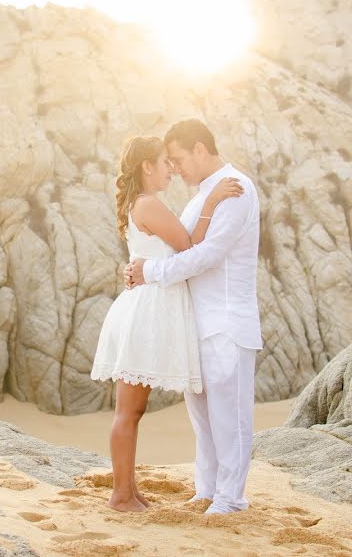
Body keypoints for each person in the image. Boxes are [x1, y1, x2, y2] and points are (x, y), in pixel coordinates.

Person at [91, 135, 243, 512]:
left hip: (146, 307)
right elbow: (191, 244)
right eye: (164, 163)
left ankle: (128, 490)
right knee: (129, 411)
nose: (171, 171)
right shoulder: (148, 204)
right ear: (147, 166)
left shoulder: (139, 204)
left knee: (132, 410)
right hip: (148, 314)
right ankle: (121, 495)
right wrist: (211, 201)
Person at [124, 119, 262, 515]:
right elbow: (176, 247)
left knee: (229, 417)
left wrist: (148, 272)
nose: (176, 168)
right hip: (194, 324)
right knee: (203, 418)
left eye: (179, 159)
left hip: (227, 322)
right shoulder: (200, 197)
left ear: (201, 149)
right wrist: (140, 264)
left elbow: (207, 255)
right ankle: (208, 490)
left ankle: (231, 499)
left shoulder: (236, 189)